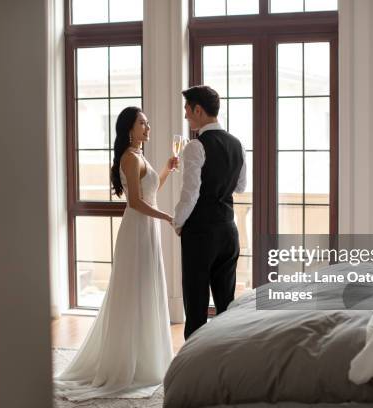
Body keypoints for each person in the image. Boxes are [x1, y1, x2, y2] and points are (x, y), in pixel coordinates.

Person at [54, 106, 177, 401]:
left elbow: (150, 192)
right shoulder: (130, 158)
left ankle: (147, 358)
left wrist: (166, 170)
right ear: (129, 129)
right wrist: (169, 218)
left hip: (145, 229)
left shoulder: (139, 156)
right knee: (134, 290)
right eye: (142, 124)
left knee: (145, 288)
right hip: (137, 230)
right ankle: (129, 361)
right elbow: (135, 202)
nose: (147, 128)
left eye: (147, 123)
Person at [172, 85, 247, 340]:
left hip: (201, 233)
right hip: (228, 230)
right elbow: (240, 186)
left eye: (187, 110)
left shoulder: (196, 146)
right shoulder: (238, 144)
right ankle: (225, 359)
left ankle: (192, 367)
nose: (186, 116)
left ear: (198, 110)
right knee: (226, 302)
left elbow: (190, 193)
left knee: (196, 303)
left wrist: (178, 222)